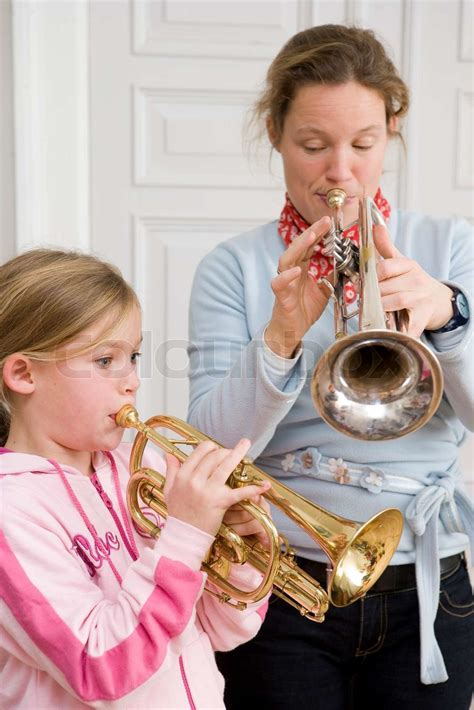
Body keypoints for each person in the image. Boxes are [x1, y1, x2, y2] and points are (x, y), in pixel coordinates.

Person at [187, 24, 474, 710]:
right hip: (280, 586)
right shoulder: (234, 267)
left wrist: (449, 316)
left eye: (364, 145)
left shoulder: (450, 245)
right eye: (313, 146)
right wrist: (282, 337)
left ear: (391, 130)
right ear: (276, 134)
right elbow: (207, 443)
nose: (339, 172)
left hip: (427, 585)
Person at [0, 248, 272, 709]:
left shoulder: (133, 467)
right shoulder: (12, 513)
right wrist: (185, 536)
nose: (132, 381)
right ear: (24, 374)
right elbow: (101, 664)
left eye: (134, 357)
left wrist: (237, 554)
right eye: (106, 361)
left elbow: (220, 630)